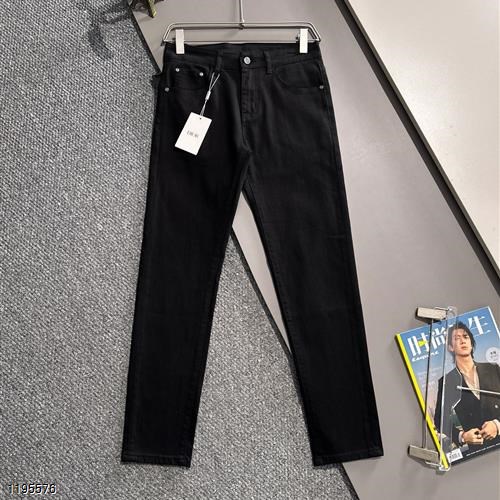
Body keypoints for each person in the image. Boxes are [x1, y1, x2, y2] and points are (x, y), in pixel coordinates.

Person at [433, 321, 500, 450]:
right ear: (450, 347)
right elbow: (440, 420)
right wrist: (462, 436)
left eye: (465, 337)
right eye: (456, 338)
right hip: (478, 450)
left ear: (471, 343)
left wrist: (497, 425)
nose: (462, 341)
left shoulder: (493, 369)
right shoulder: (447, 381)